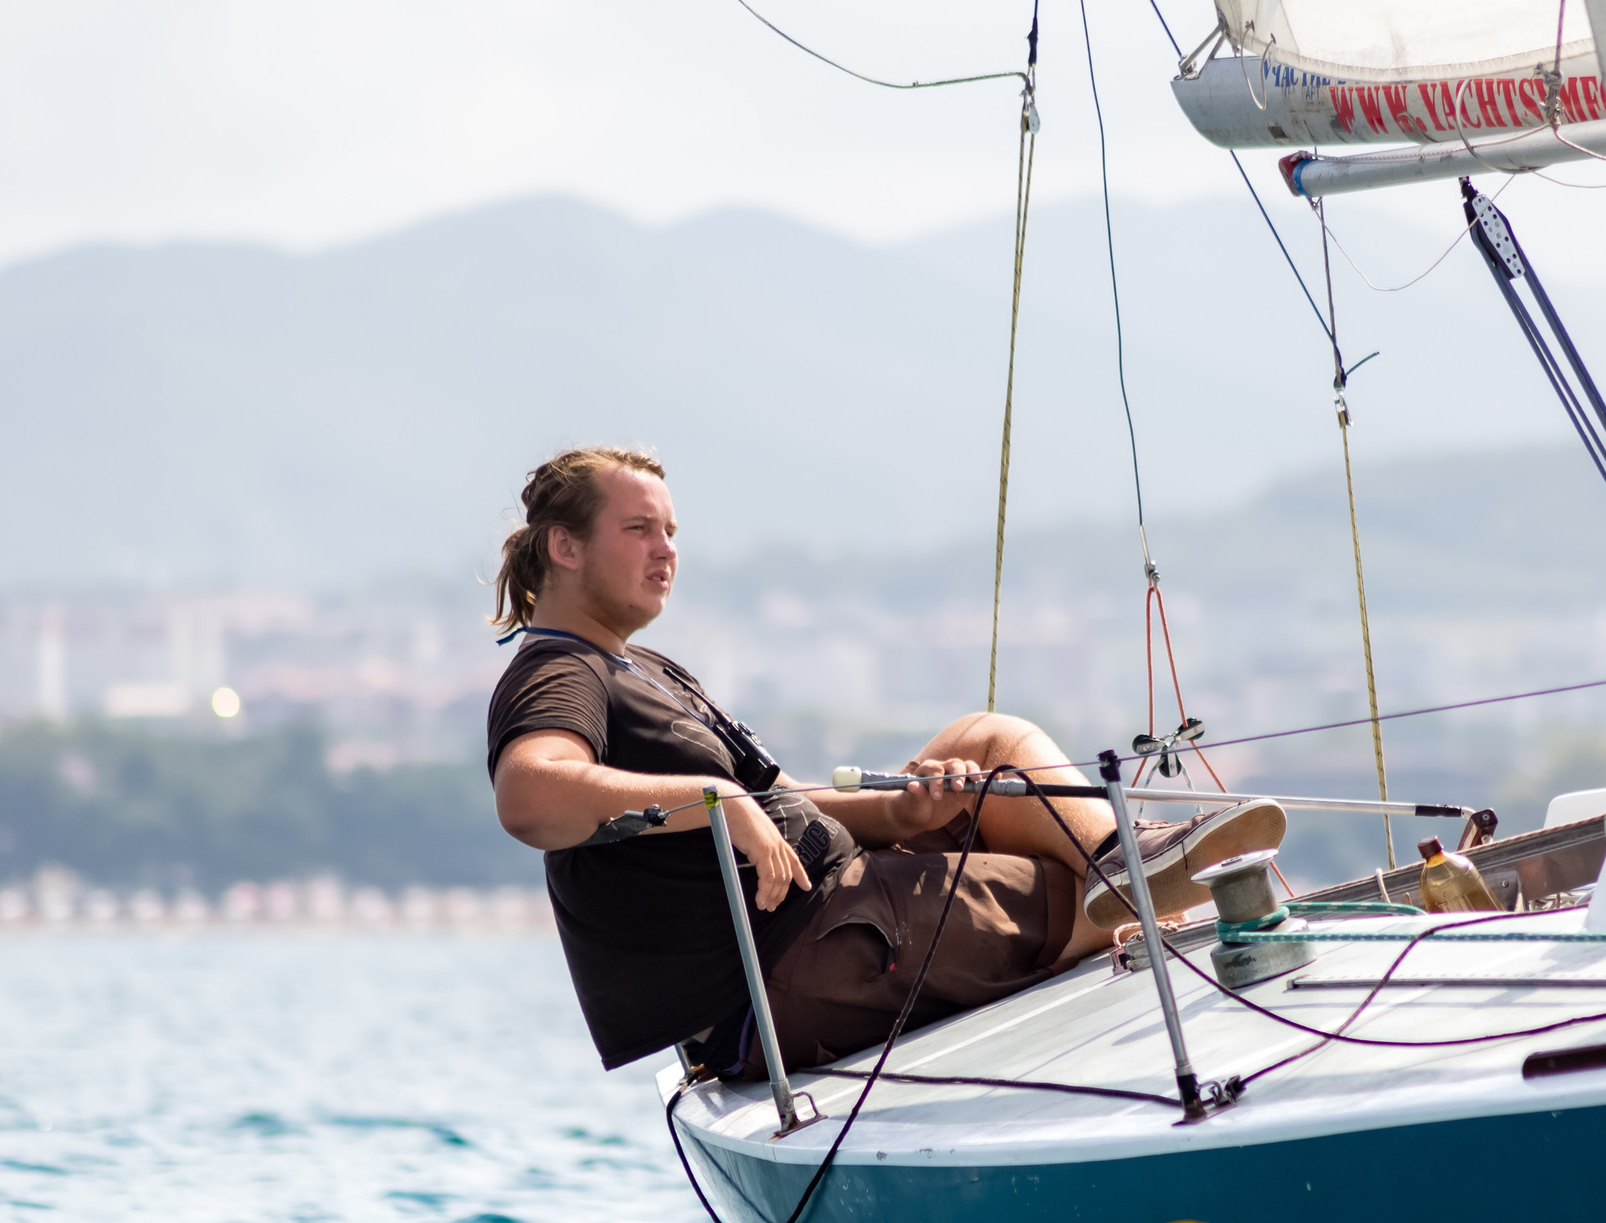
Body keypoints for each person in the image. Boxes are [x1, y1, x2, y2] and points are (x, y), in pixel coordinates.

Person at [485, 447, 1284, 1076]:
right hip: (792, 965)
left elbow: (783, 799)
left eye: (672, 533)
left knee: (990, 744)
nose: (666, 551)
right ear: (566, 546)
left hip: (835, 903)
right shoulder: (561, 672)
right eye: (640, 531)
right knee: (1072, 900)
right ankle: (1125, 887)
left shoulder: (646, 667)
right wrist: (716, 799)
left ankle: (1123, 859)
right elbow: (529, 794)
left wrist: (901, 814)